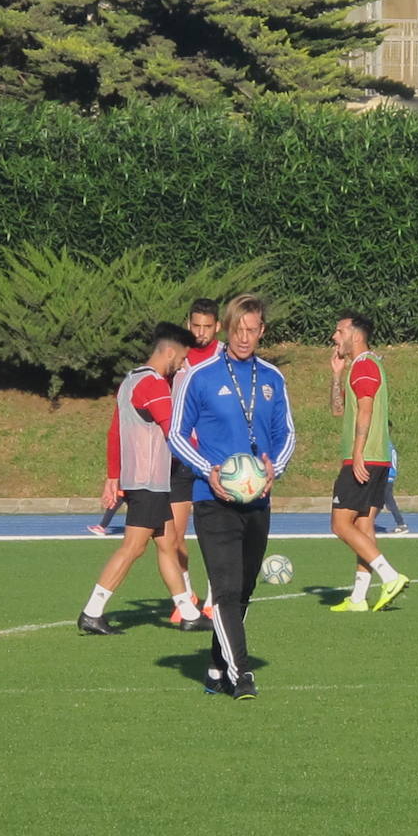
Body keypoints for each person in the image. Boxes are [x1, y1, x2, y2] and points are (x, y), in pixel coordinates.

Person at [169, 294, 295, 701]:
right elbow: (175, 435)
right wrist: (208, 470)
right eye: (238, 329)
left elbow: (287, 435)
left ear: (262, 331)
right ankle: (242, 675)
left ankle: (214, 667)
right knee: (223, 589)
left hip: (257, 501)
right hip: (213, 498)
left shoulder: (273, 378)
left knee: (242, 590)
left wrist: (275, 466)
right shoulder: (199, 376)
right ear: (226, 328)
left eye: (252, 330)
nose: (244, 337)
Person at [78, 323, 208, 635]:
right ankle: (92, 611)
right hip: (149, 481)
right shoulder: (154, 385)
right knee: (133, 548)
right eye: (182, 358)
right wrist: (210, 464)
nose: (182, 365)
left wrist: (113, 475)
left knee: (167, 545)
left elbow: (114, 432)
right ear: (170, 352)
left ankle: (188, 611)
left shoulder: (130, 380)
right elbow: (174, 434)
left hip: (146, 480)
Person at [327, 311, 409, 613]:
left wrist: (358, 453)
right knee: (363, 526)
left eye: (339, 331)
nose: (335, 337)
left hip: (363, 458)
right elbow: (339, 411)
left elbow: (365, 410)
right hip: (376, 458)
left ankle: (389, 576)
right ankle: (359, 598)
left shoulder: (364, 366)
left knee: (339, 524)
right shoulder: (358, 367)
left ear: (355, 335)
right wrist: (336, 374)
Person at [164, 297, 224, 622]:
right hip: (178, 456)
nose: (201, 333)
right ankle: (186, 596)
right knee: (173, 536)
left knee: (213, 532)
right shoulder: (176, 355)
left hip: (213, 458)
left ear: (217, 326)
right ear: (188, 323)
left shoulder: (225, 357)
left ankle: (216, 597)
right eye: (195, 325)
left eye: (207, 326)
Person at [382, 438, 409, 534]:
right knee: (378, 500)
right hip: (389, 475)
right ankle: (367, 522)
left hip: (385, 475)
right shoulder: (389, 444)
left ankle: (401, 524)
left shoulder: (384, 444)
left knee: (389, 501)